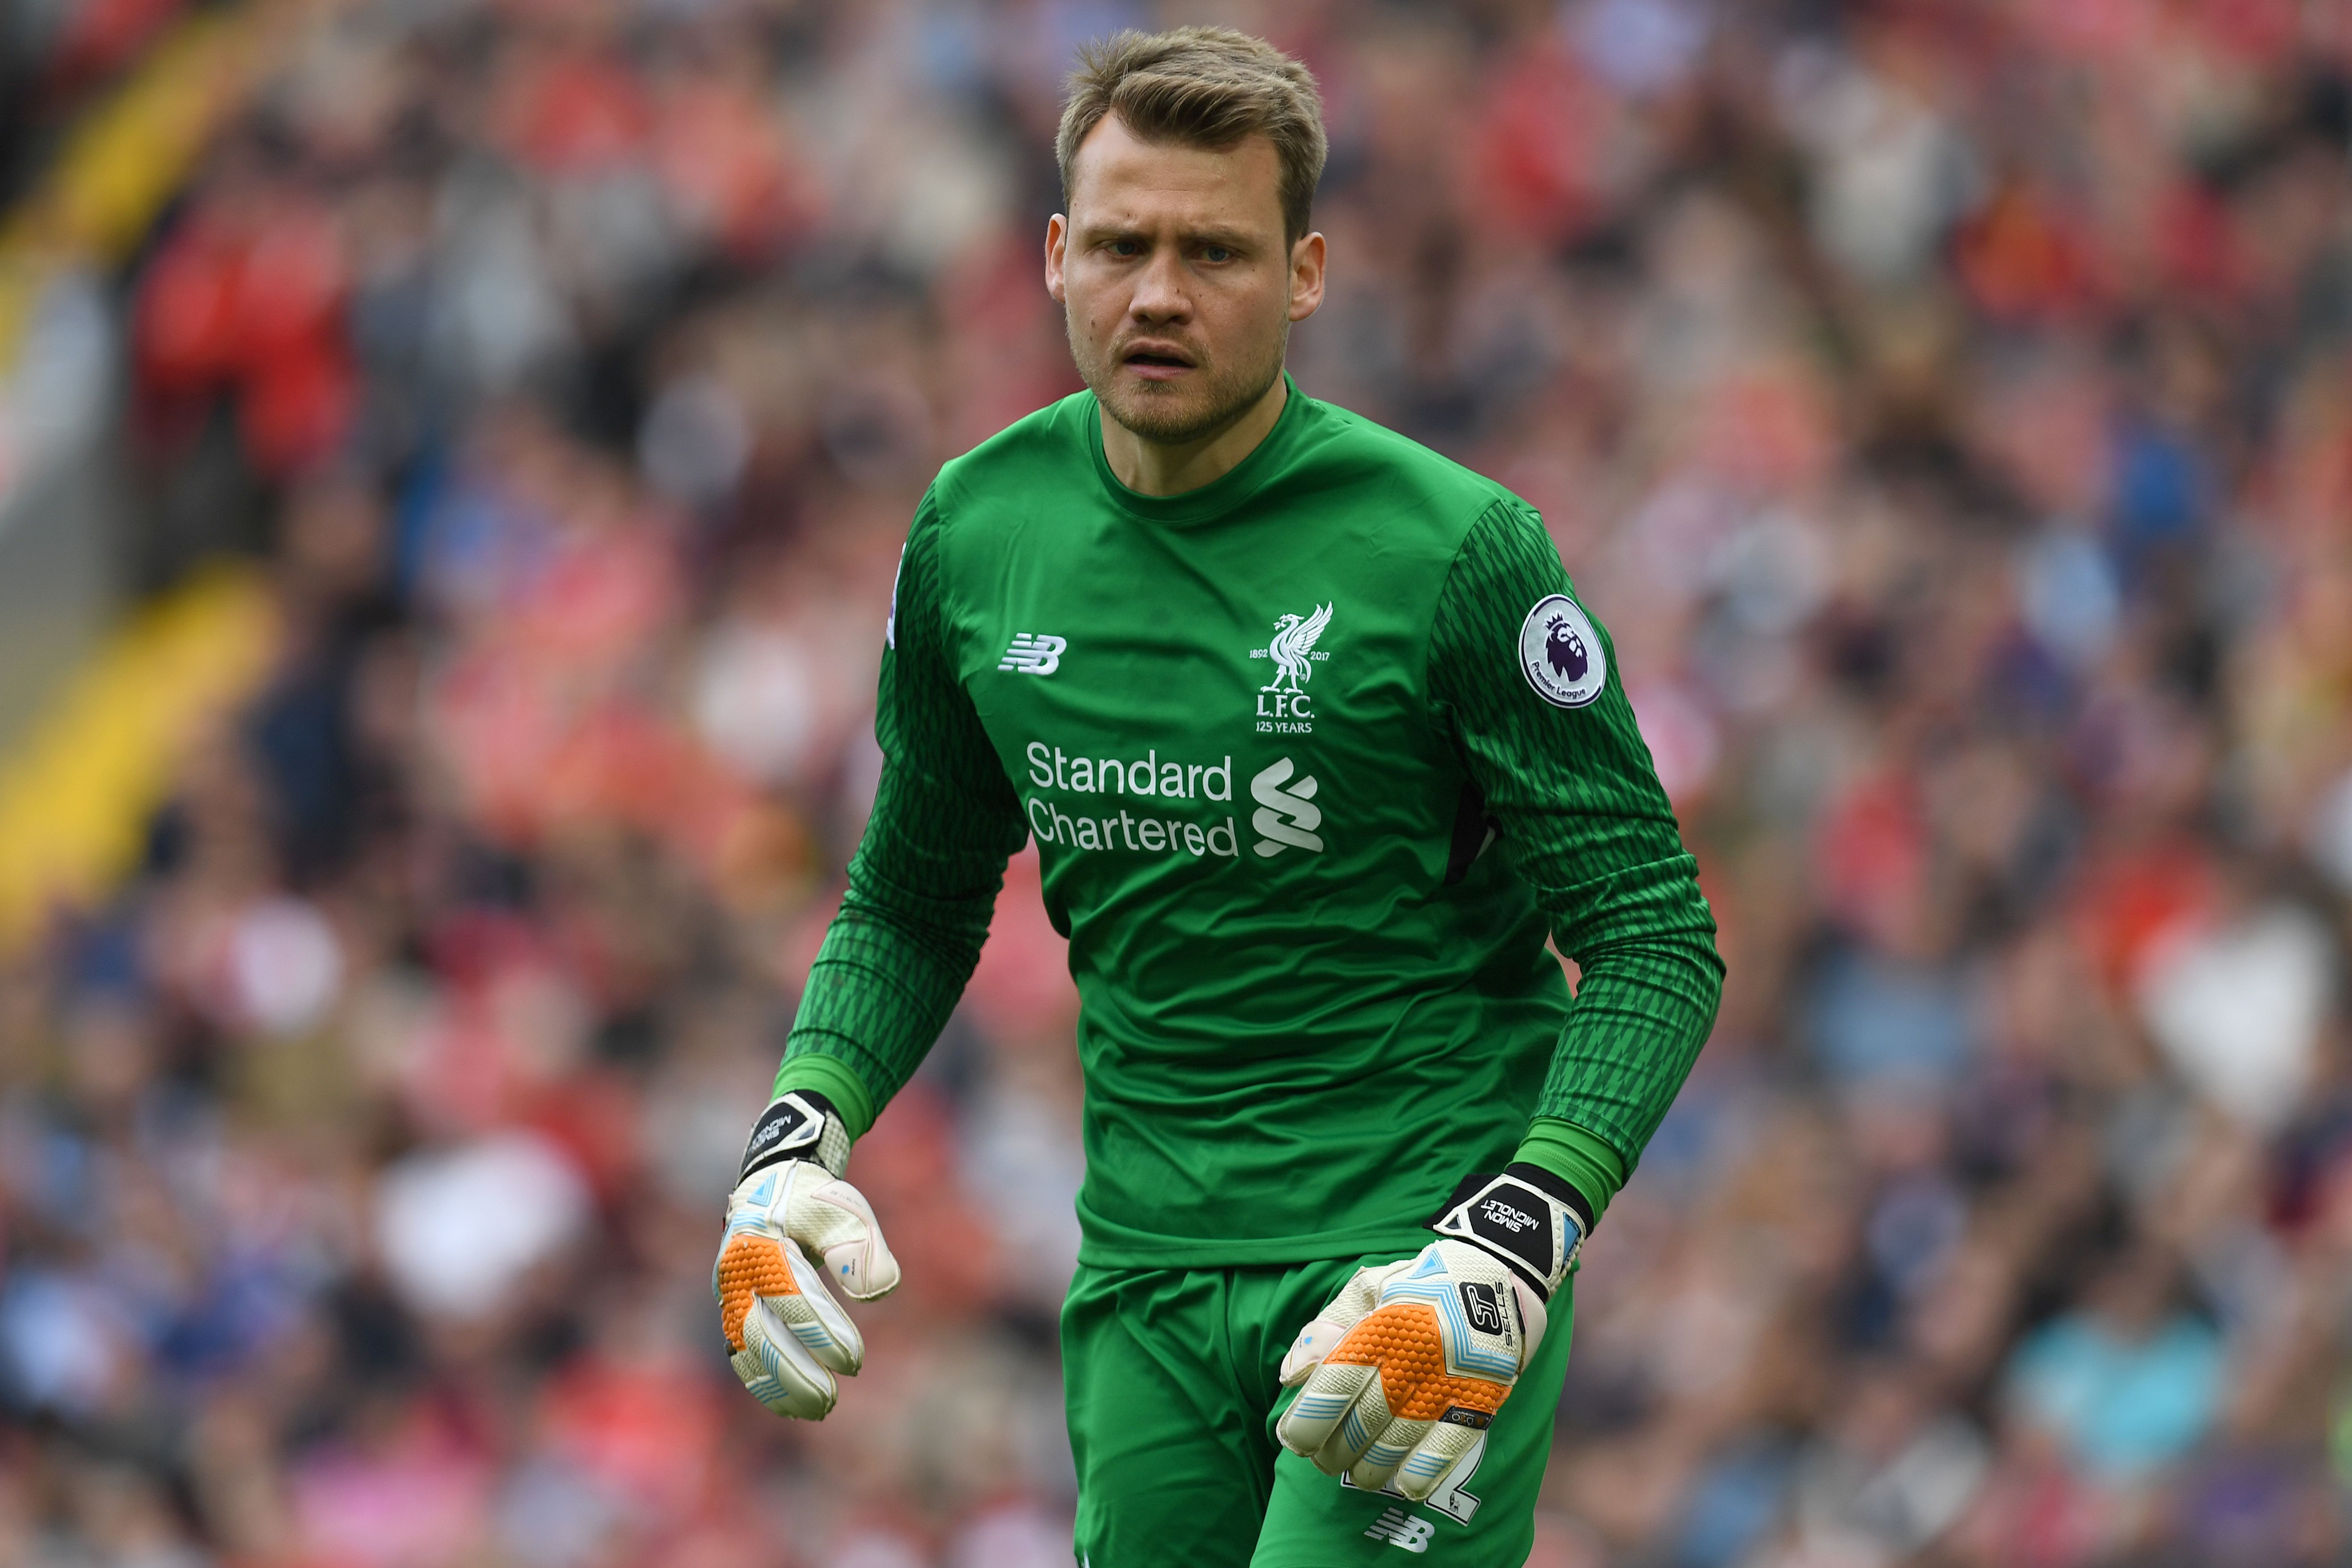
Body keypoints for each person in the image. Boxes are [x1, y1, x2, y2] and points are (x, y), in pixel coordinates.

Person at [711, 26, 1722, 1566]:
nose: (1160, 292)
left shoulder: (1453, 554)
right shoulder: (975, 533)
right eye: (1120, 245)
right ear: (1056, 256)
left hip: (1418, 1262)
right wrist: (794, 1136)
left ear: (1305, 274)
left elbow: (1654, 936)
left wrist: (1521, 1232)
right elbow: (911, 899)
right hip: (1146, 1279)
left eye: (1216, 251)